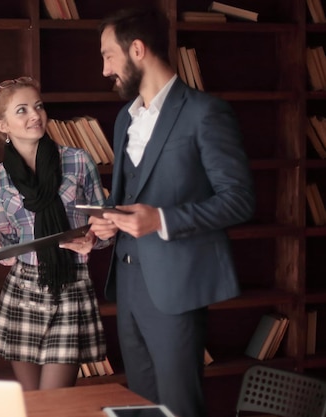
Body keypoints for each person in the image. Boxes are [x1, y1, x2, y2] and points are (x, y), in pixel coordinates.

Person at [89, 8, 256, 417]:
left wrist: (161, 220)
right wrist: (107, 223)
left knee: (180, 407)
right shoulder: (124, 120)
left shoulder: (205, 112)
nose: (105, 69)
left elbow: (239, 199)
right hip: (128, 286)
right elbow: (133, 196)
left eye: (109, 55)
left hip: (177, 287)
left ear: (138, 50)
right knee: (143, 406)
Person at [0, 76, 107, 391]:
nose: (35, 115)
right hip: (23, 291)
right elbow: (7, 253)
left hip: (70, 285)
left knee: (55, 402)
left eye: (37, 106)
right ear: (2, 125)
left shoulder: (78, 161)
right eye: (21, 110)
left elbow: (105, 227)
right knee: (31, 402)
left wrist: (94, 238)